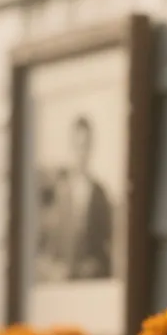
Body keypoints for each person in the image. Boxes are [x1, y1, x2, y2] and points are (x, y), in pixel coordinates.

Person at [50, 115, 112, 280]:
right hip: (63, 280)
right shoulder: (61, 192)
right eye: (77, 146)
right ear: (71, 147)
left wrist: (95, 265)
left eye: (85, 146)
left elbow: (106, 247)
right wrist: (57, 268)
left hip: (90, 281)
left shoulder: (100, 194)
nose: (81, 153)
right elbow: (52, 246)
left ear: (91, 148)